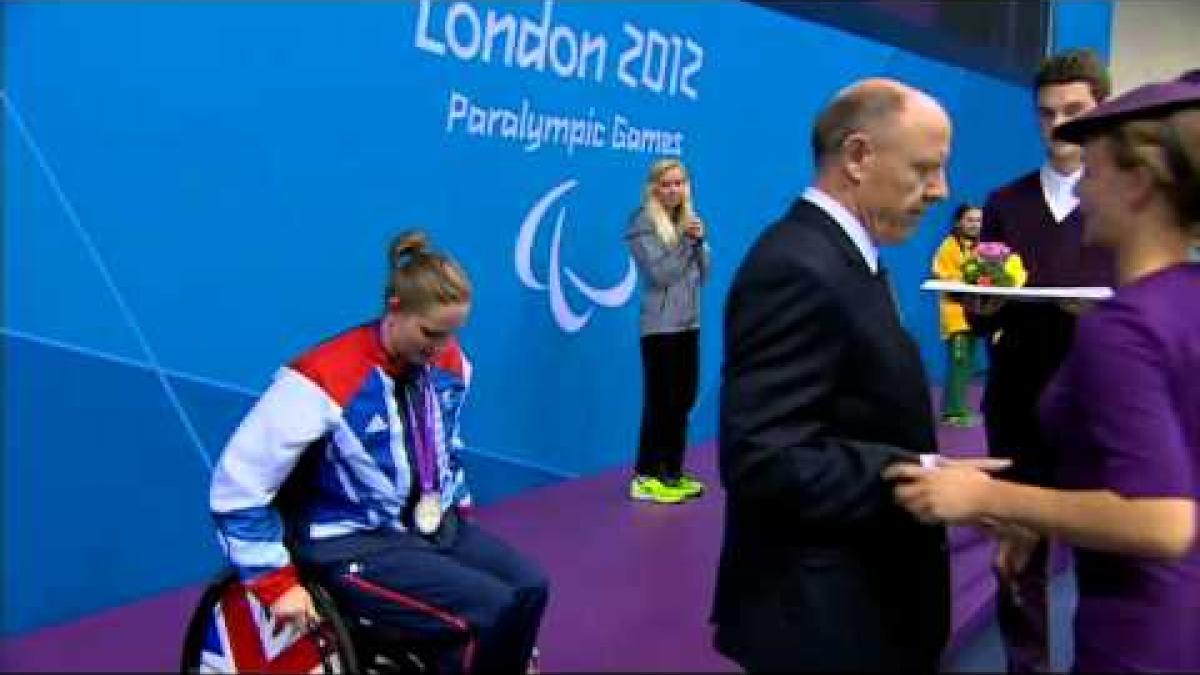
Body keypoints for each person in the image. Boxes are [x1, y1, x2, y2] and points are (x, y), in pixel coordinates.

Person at [885, 69, 1200, 672]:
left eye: (1098, 171)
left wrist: (988, 495)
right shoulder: (1185, 297)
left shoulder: (1124, 327)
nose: (1081, 193)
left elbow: (1162, 520)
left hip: (1140, 637)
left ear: (1139, 184)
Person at [711, 77, 995, 672]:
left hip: (855, 611)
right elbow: (763, 457)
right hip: (822, 625)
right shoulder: (798, 267)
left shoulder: (843, 259)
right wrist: (917, 475)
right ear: (859, 157)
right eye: (925, 169)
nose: (941, 191)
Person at [209, 231, 549, 674]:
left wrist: (454, 515)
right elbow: (237, 487)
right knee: (489, 609)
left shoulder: (449, 365)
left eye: (452, 334)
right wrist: (275, 584)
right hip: (350, 543)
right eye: (431, 333)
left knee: (530, 588)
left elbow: (446, 451)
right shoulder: (322, 379)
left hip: (426, 531)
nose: (442, 348)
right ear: (395, 310)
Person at [968, 48, 1118, 673]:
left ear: (1103, 111)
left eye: (1075, 111)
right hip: (1017, 400)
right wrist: (983, 301)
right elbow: (984, 312)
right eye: (1047, 112)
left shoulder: (1126, 201)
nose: (1059, 125)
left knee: (1107, 558)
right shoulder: (1005, 201)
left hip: (1100, 403)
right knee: (1017, 555)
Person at [625, 158, 711, 504]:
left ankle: (672, 473)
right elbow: (661, 273)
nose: (674, 190)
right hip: (660, 327)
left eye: (679, 183)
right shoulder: (641, 224)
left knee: (683, 399)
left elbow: (703, 274)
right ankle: (646, 475)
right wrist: (686, 244)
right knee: (661, 400)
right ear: (654, 188)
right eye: (667, 184)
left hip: (689, 322)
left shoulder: (687, 222)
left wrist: (700, 243)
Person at [931, 203, 985, 427]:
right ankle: (953, 413)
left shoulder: (979, 247)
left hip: (974, 315)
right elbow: (942, 274)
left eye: (979, 220)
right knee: (960, 364)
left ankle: (955, 408)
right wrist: (969, 277)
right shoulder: (949, 246)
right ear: (958, 222)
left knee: (968, 365)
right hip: (956, 316)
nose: (975, 225)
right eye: (970, 220)